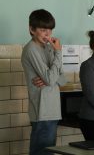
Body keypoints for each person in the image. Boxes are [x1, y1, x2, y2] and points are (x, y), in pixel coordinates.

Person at [21, 9, 66, 155]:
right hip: (42, 110)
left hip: (52, 110)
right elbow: (51, 78)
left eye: (50, 30)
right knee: (41, 152)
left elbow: (62, 79)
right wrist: (59, 53)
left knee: (47, 151)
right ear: (32, 30)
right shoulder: (31, 49)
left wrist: (49, 78)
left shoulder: (48, 48)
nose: (48, 34)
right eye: (43, 30)